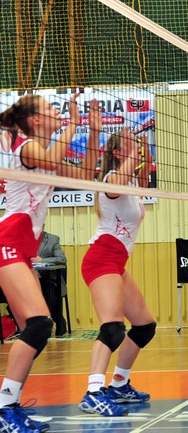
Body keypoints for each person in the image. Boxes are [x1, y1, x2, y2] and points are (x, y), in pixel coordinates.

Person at [0, 92, 100, 431]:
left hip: (20, 247)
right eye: (50, 109)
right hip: (8, 242)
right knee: (40, 324)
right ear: (35, 120)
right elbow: (52, 158)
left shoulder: (42, 154)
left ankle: (10, 405)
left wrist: (93, 131)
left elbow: (84, 174)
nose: (56, 113)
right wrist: (72, 125)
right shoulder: (27, 148)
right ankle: (4, 409)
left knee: (37, 331)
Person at [79, 129, 155, 417]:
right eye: (129, 144)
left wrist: (144, 149)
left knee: (145, 326)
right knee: (112, 327)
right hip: (101, 259)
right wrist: (134, 153)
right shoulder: (111, 180)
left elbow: (143, 179)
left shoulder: (131, 182)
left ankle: (119, 385)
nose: (135, 146)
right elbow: (120, 182)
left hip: (117, 262)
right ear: (118, 153)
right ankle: (93, 393)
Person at [31, 230, 67, 336]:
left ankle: (58, 322)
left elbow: (61, 259)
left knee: (49, 296)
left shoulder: (52, 239)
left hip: (50, 280)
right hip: (29, 279)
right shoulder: (21, 238)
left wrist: (42, 260)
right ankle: (26, 328)